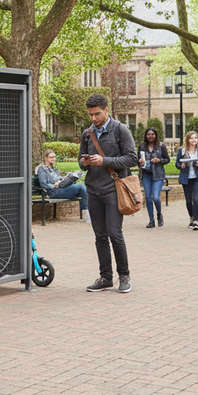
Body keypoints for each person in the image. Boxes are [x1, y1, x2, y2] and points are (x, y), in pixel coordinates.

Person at [78, 94, 138, 294]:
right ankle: (105, 277)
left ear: (106, 110)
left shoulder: (120, 130)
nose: (94, 118)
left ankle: (124, 276)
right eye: (90, 115)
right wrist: (84, 162)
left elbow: (131, 158)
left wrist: (105, 161)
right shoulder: (87, 134)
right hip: (93, 190)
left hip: (113, 189)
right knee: (100, 235)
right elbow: (80, 162)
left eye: (97, 114)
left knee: (114, 233)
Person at [36, 149, 90, 223]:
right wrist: (54, 186)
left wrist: (65, 180)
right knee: (80, 186)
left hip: (61, 188)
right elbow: (43, 184)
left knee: (82, 190)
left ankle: (88, 212)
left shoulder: (53, 168)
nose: (53, 159)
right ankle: (87, 213)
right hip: (53, 192)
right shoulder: (42, 169)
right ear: (45, 158)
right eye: (51, 157)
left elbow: (58, 177)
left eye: (54, 157)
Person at [175, 130, 198, 230]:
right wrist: (181, 165)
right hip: (186, 178)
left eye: (195, 138)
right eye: (191, 138)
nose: (194, 140)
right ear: (188, 139)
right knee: (189, 201)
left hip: (197, 178)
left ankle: (195, 221)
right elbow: (177, 164)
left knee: (196, 199)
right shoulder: (182, 151)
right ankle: (191, 217)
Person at [138, 128, 170, 228]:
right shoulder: (142, 146)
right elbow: (137, 160)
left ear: (155, 135)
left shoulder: (161, 146)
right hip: (146, 175)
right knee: (148, 197)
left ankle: (159, 214)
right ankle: (151, 220)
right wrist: (140, 162)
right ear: (146, 136)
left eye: (152, 134)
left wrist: (159, 160)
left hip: (158, 175)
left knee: (155, 197)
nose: (150, 136)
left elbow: (167, 159)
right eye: (148, 134)